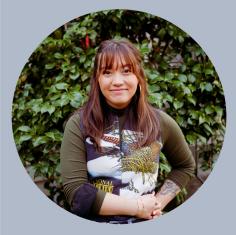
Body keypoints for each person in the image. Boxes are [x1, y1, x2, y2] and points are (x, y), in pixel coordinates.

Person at [60, 39, 195, 224]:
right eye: (107, 72)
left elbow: (185, 166)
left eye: (126, 71)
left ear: (138, 76)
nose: (117, 81)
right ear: (97, 79)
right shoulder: (79, 124)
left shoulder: (159, 122)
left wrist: (157, 204)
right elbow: (76, 192)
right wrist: (138, 208)